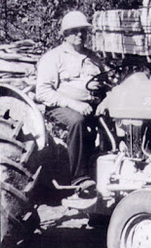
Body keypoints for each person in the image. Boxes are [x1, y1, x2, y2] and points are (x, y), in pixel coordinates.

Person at [36, 11, 105, 195]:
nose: (80, 35)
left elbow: (105, 82)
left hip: (92, 105)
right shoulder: (54, 57)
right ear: (64, 34)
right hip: (61, 107)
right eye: (74, 31)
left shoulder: (94, 58)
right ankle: (79, 178)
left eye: (83, 30)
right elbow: (43, 92)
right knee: (77, 121)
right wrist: (74, 104)